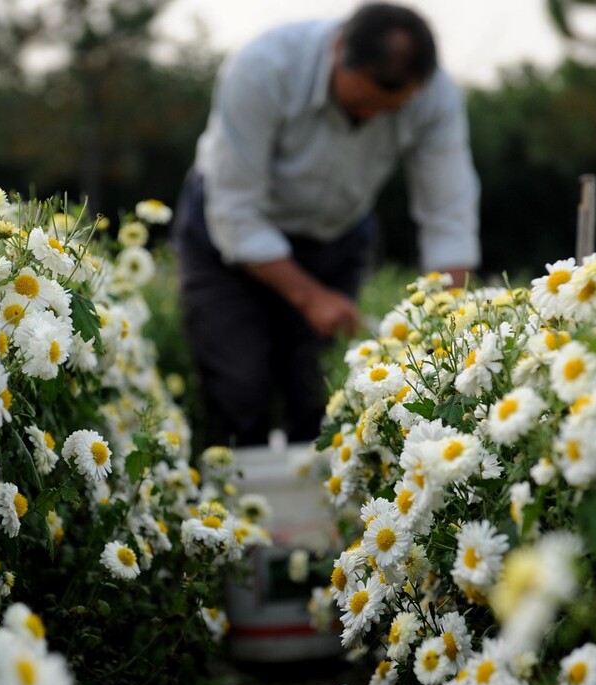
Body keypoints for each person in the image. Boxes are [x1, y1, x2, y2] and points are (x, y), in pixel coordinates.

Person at [174, 2, 480, 448]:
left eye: (389, 110)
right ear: (338, 52)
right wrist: (310, 296)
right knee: (240, 388)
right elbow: (236, 211)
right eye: (362, 105)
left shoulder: (436, 97)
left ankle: (316, 514)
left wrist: (452, 324)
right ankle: (236, 508)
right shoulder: (264, 68)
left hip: (337, 238)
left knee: (325, 395)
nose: (372, 118)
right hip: (226, 239)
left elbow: (448, 211)